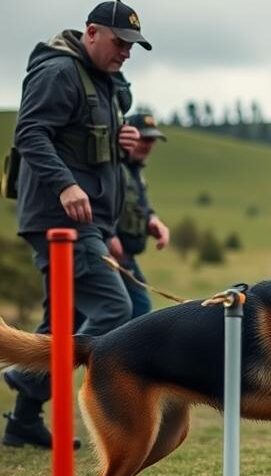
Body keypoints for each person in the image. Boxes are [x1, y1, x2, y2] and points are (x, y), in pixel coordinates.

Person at [2, 1, 151, 449]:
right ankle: (36, 380)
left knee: (64, 317)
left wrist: (123, 143)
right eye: (119, 42)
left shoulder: (102, 82)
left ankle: (24, 418)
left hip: (86, 222)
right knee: (116, 309)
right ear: (91, 33)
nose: (125, 53)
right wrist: (65, 185)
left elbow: (87, 146)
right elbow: (29, 133)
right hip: (59, 220)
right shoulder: (59, 73)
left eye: (131, 47)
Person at [111, 111, 170, 317]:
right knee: (135, 308)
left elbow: (140, 207)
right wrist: (108, 237)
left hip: (125, 256)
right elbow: (101, 205)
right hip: (111, 254)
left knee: (135, 308)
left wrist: (153, 221)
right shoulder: (113, 168)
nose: (148, 145)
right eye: (144, 139)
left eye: (152, 140)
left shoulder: (135, 171)